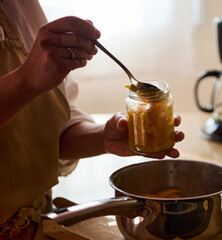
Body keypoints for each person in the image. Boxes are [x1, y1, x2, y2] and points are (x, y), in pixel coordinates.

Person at [0, 1, 185, 239]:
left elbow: (46, 131)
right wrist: (25, 80)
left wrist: (102, 137)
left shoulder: (24, 5)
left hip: (35, 226)